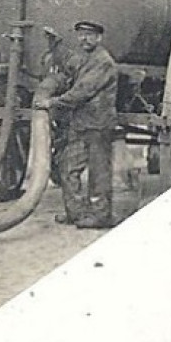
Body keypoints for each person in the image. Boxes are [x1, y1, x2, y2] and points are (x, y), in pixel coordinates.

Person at [37, 19, 119, 229]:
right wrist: (56, 44)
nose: (84, 38)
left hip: (98, 125)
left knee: (98, 172)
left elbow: (82, 91)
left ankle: (101, 216)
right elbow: (69, 63)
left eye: (89, 35)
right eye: (81, 34)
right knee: (69, 167)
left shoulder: (103, 62)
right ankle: (76, 212)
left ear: (99, 38)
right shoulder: (83, 57)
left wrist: (52, 102)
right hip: (81, 123)